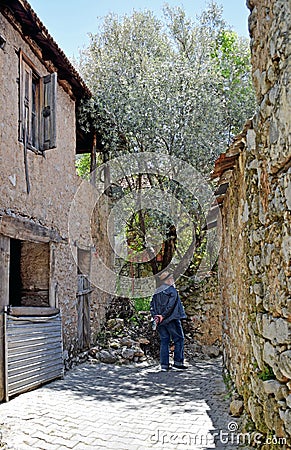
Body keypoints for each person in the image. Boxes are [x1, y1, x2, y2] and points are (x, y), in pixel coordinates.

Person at [150, 271, 187, 372]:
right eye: (172, 278)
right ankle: (178, 363)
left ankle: (164, 365)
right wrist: (163, 315)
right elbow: (171, 305)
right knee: (179, 339)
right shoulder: (172, 290)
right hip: (171, 319)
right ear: (169, 279)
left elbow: (152, 305)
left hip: (160, 321)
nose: (173, 280)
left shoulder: (157, 291)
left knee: (164, 341)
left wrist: (156, 317)